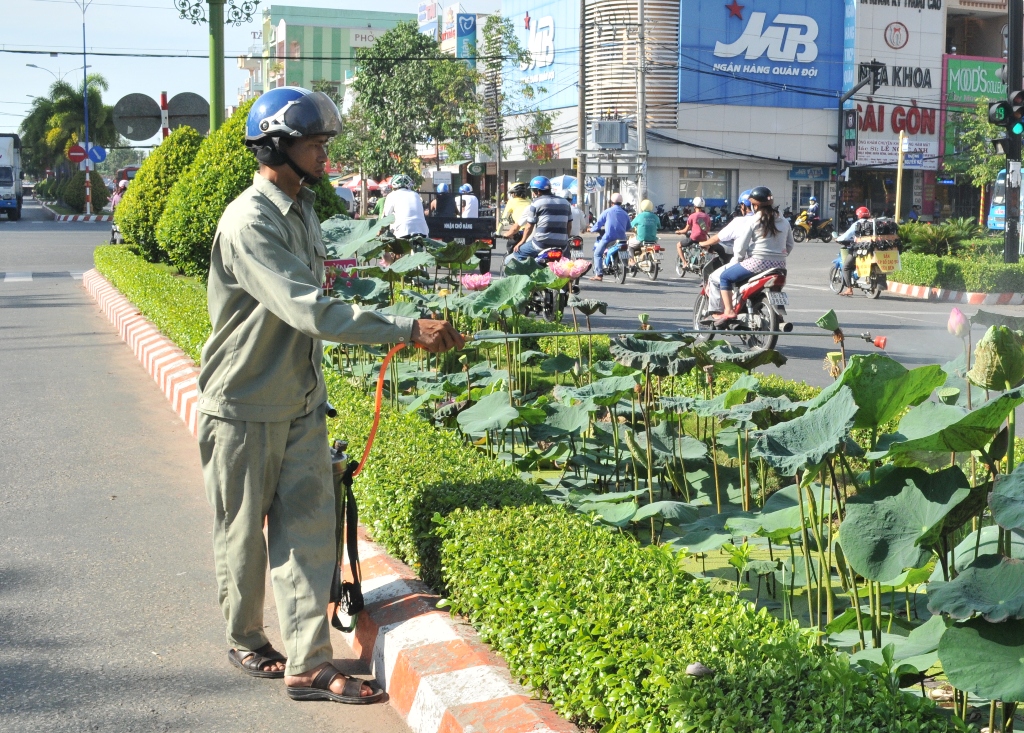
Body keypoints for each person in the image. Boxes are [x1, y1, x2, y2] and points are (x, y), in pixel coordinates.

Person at [200, 85, 464, 704]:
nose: (326, 153)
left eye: (324, 143)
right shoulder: (249, 221)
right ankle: (244, 637)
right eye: (315, 143)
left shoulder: (303, 209)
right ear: (275, 146)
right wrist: (405, 328)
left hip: (298, 399)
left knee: (309, 531)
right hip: (242, 402)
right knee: (242, 535)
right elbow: (308, 310)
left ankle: (309, 661)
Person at [715, 186, 794, 323]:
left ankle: (728, 311)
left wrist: (737, 260)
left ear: (754, 205)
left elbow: (741, 246)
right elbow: (790, 245)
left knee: (725, 277)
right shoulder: (784, 221)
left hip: (757, 263)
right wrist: (778, 255)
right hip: (780, 265)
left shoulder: (753, 220)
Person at [702, 190, 756, 313]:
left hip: (748, 263)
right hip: (776, 264)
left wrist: (703, 243)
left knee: (716, 278)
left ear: (743, 205)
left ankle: (721, 311)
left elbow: (717, 238)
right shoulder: (771, 221)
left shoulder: (740, 221)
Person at [505, 175, 572, 267]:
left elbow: (529, 226)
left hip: (541, 243)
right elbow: (569, 225)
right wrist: (564, 240)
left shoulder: (536, 203)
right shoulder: (565, 203)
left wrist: (522, 242)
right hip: (562, 244)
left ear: (537, 191)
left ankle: (526, 276)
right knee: (567, 263)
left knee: (512, 257)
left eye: (532, 190)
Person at [588, 192, 631, 281]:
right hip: (622, 239)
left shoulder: (607, 212)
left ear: (611, 202)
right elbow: (628, 227)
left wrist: (590, 229)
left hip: (608, 237)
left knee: (597, 254)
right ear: (621, 202)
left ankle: (599, 275)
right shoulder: (625, 213)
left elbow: (598, 224)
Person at [836, 206, 871, 296]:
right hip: (871, 250)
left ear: (858, 215)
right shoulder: (872, 223)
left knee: (846, 267)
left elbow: (847, 235)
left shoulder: (857, 224)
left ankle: (849, 289)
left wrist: (838, 239)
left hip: (859, 250)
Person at [674, 197, 712, 265]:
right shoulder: (707, 216)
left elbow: (685, 230)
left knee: (678, 245)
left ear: (694, 206)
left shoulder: (692, 216)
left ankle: (684, 263)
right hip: (703, 238)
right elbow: (707, 229)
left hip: (694, 238)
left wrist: (678, 232)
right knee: (707, 248)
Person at [627, 199, 659, 265]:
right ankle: (656, 259)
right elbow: (659, 226)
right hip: (653, 239)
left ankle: (632, 260)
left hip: (641, 239)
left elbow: (631, 225)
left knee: (629, 244)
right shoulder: (655, 217)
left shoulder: (639, 216)